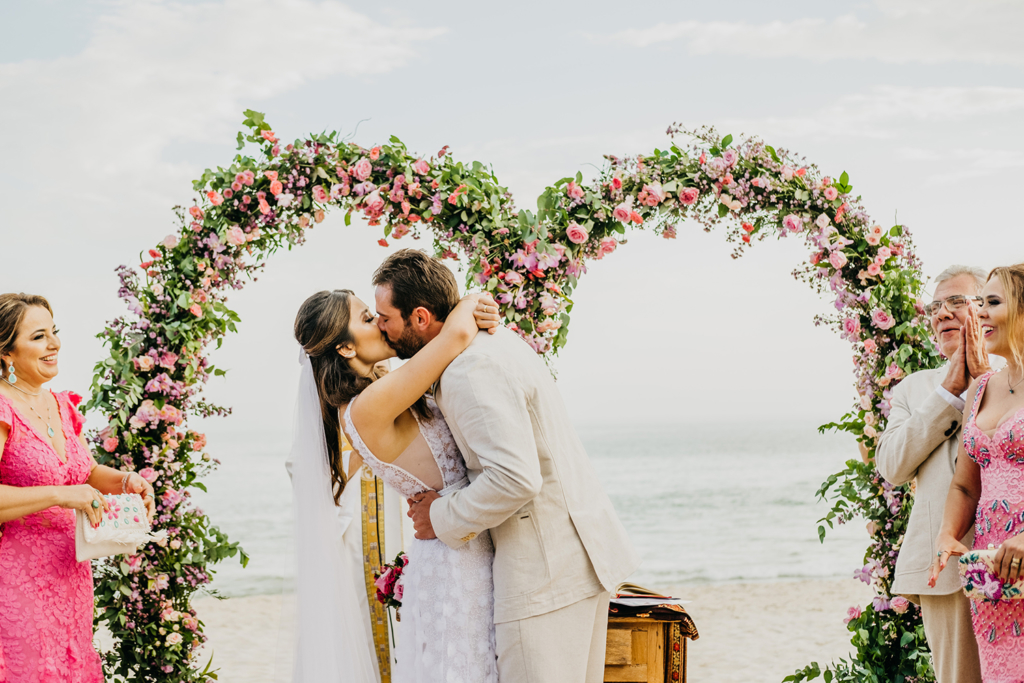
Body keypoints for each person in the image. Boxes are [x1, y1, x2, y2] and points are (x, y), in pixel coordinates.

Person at [374, 249, 641, 683]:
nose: (381, 327)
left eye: (386, 317)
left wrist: (438, 514)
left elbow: (514, 478)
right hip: (574, 559)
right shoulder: (487, 342)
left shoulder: (469, 370)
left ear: (421, 318)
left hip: (545, 574)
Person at [292, 287, 501, 682]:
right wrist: (476, 297)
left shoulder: (380, 393)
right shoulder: (367, 408)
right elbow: (454, 336)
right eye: (368, 319)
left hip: (458, 542)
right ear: (346, 349)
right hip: (457, 563)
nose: (382, 324)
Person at [0, 293, 155, 683]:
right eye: (39, 336)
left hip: (70, 575)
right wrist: (60, 495)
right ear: (6, 353)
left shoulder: (60, 403)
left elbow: (82, 473)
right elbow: (66, 488)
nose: (54, 344)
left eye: (54, 332)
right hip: (16, 579)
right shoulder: (2, 408)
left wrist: (125, 481)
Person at [876, 266, 987, 683]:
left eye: (956, 302)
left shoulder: (1017, 376)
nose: (942, 313)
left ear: (989, 307)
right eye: (935, 306)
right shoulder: (913, 389)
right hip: (947, 570)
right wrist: (948, 395)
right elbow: (892, 466)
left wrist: (980, 380)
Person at [931, 264, 1024, 681]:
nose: (980, 313)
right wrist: (947, 535)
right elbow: (966, 485)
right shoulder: (982, 389)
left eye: (993, 303)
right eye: (980, 302)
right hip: (991, 572)